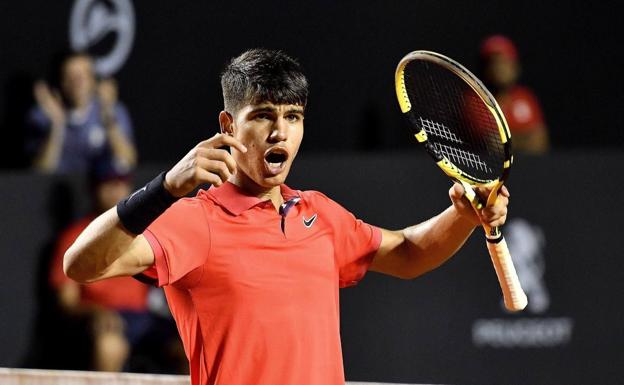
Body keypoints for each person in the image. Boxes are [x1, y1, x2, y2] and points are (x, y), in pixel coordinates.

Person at [63, 49, 510, 385]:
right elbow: (80, 264)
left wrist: (463, 216)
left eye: (292, 116)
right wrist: (163, 190)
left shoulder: (319, 214)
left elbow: (409, 253)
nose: (280, 131)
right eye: (263, 116)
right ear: (228, 126)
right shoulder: (195, 220)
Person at [48, 166, 152, 371]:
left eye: (121, 182)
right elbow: (67, 301)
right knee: (110, 344)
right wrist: (98, 313)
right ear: (94, 188)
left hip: (144, 319)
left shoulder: (145, 231)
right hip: (105, 319)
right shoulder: (76, 236)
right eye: (109, 182)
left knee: (189, 343)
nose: (116, 189)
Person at [25, 52, 137, 174]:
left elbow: (128, 162)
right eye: (70, 76)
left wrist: (108, 115)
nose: (77, 83)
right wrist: (57, 125)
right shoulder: (42, 115)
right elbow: (40, 172)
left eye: (83, 76)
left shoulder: (113, 110)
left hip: (99, 189)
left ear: (94, 80)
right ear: (60, 81)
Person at [480, 35, 549, 154]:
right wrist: (524, 138)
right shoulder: (477, 100)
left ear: (514, 66)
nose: (499, 69)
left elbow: (540, 141)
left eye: (504, 63)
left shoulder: (525, 98)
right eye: (494, 63)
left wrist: (510, 140)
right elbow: (493, 144)